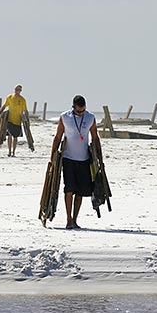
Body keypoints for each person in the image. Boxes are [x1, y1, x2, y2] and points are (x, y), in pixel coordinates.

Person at [50, 95, 102, 229]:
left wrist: (100, 157)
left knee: (80, 192)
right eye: (78, 111)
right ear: (73, 108)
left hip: (84, 159)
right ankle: (68, 219)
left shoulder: (90, 117)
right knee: (69, 189)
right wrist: (53, 155)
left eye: (83, 110)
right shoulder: (65, 117)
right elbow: (58, 136)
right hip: (68, 158)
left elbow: (95, 138)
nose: (81, 113)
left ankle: (75, 220)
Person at [0, 84, 28, 157]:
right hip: (10, 120)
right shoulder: (10, 97)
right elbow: (4, 106)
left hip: (18, 121)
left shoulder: (22, 100)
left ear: (21, 91)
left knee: (15, 137)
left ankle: (14, 152)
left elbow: (25, 110)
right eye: (16, 89)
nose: (17, 91)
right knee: (9, 135)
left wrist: (27, 119)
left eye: (19, 90)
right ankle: (9, 151)